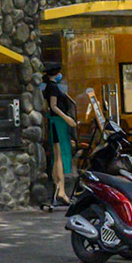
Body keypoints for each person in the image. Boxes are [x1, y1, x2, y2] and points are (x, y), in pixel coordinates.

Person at [44, 74, 78, 205]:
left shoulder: (49, 87)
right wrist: (67, 118)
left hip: (56, 122)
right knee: (59, 155)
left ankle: (59, 187)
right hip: (58, 123)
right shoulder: (52, 87)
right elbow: (54, 106)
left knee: (57, 155)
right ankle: (61, 190)